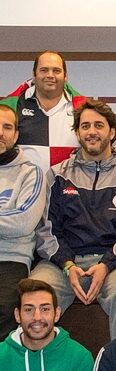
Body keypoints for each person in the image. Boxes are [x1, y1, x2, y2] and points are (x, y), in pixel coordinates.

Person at [31, 99, 116, 340]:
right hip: (64, 263)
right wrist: (67, 264)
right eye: (85, 126)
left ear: (112, 132)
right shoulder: (56, 174)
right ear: (77, 133)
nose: (92, 132)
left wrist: (106, 264)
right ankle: (37, 370)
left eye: (99, 125)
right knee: (36, 294)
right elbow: (45, 230)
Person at [0, 50, 116, 174]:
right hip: (25, 191)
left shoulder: (82, 106)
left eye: (56, 70)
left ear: (66, 76)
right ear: (34, 75)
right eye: (44, 70)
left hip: (69, 192)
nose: (50, 75)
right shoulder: (12, 105)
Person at [0, 105, 46, 340]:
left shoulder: (31, 173)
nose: (0, 132)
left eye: (7, 127)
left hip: (11, 260)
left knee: (5, 309)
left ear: (16, 135)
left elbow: (24, 222)